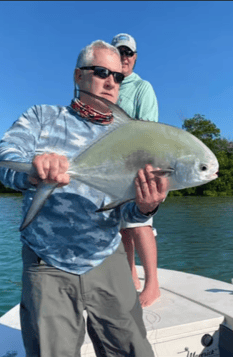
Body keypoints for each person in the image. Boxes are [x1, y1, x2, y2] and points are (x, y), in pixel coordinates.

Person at [0, 40, 168, 357]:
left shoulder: (126, 138)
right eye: (101, 72)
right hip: (48, 261)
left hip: (107, 255)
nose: (111, 81)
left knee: (134, 350)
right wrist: (33, 170)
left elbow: (126, 210)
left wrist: (145, 206)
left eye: (118, 76)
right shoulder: (42, 117)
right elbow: (5, 158)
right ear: (78, 76)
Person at [111, 33, 160, 308]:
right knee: (121, 226)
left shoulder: (143, 87)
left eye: (128, 53)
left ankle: (152, 284)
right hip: (112, 170)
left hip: (138, 165)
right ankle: (130, 274)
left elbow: (148, 128)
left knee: (141, 223)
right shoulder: (110, 85)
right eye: (119, 52)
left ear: (135, 57)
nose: (124, 57)